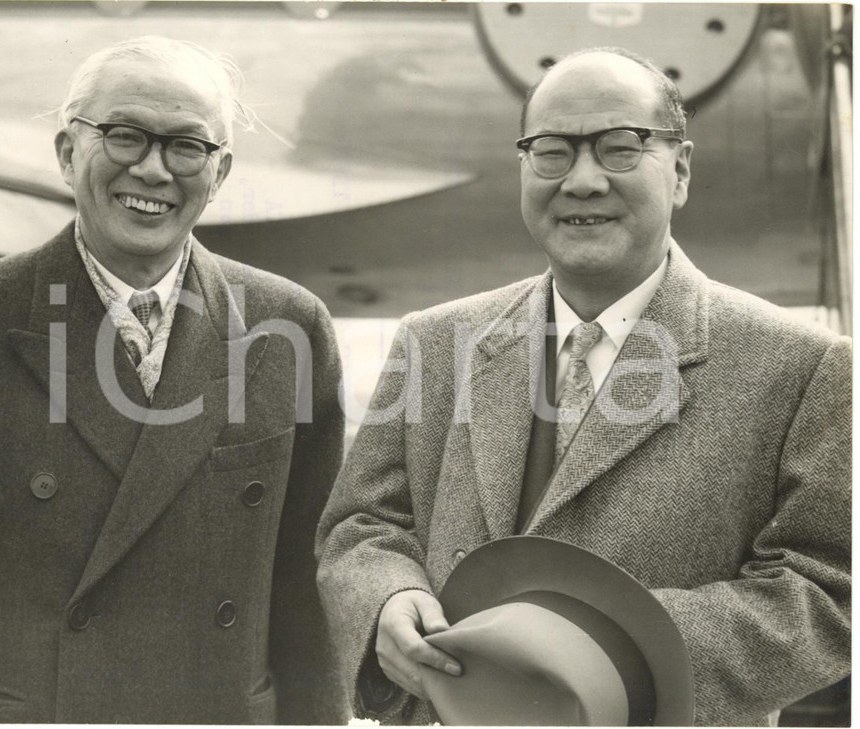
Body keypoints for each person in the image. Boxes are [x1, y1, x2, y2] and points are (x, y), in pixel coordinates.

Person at [316, 47, 850, 726]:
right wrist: (385, 599)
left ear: (680, 169)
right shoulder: (433, 340)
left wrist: (614, 648)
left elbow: (830, 590)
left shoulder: (804, 366)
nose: (583, 180)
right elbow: (361, 525)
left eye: (620, 148)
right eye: (552, 152)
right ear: (523, 167)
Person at [0, 36, 346, 724]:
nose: (152, 170)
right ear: (67, 153)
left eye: (187, 146)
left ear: (221, 172)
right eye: (124, 135)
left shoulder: (290, 324)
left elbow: (309, 594)